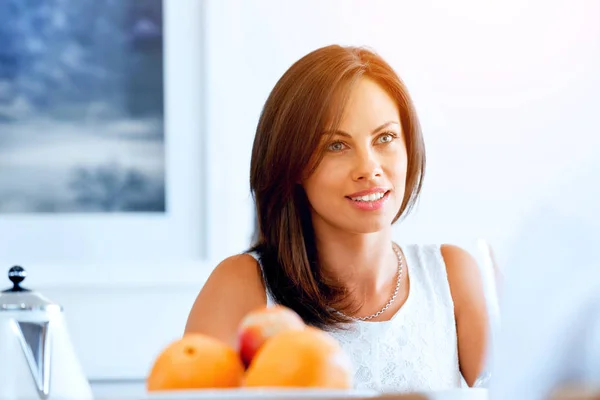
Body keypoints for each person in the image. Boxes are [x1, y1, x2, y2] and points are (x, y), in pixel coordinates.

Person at [185, 44, 489, 392]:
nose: (369, 169)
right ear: (292, 163)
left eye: (385, 138)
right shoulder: (241, 285)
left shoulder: (452, 277)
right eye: (336, 146)